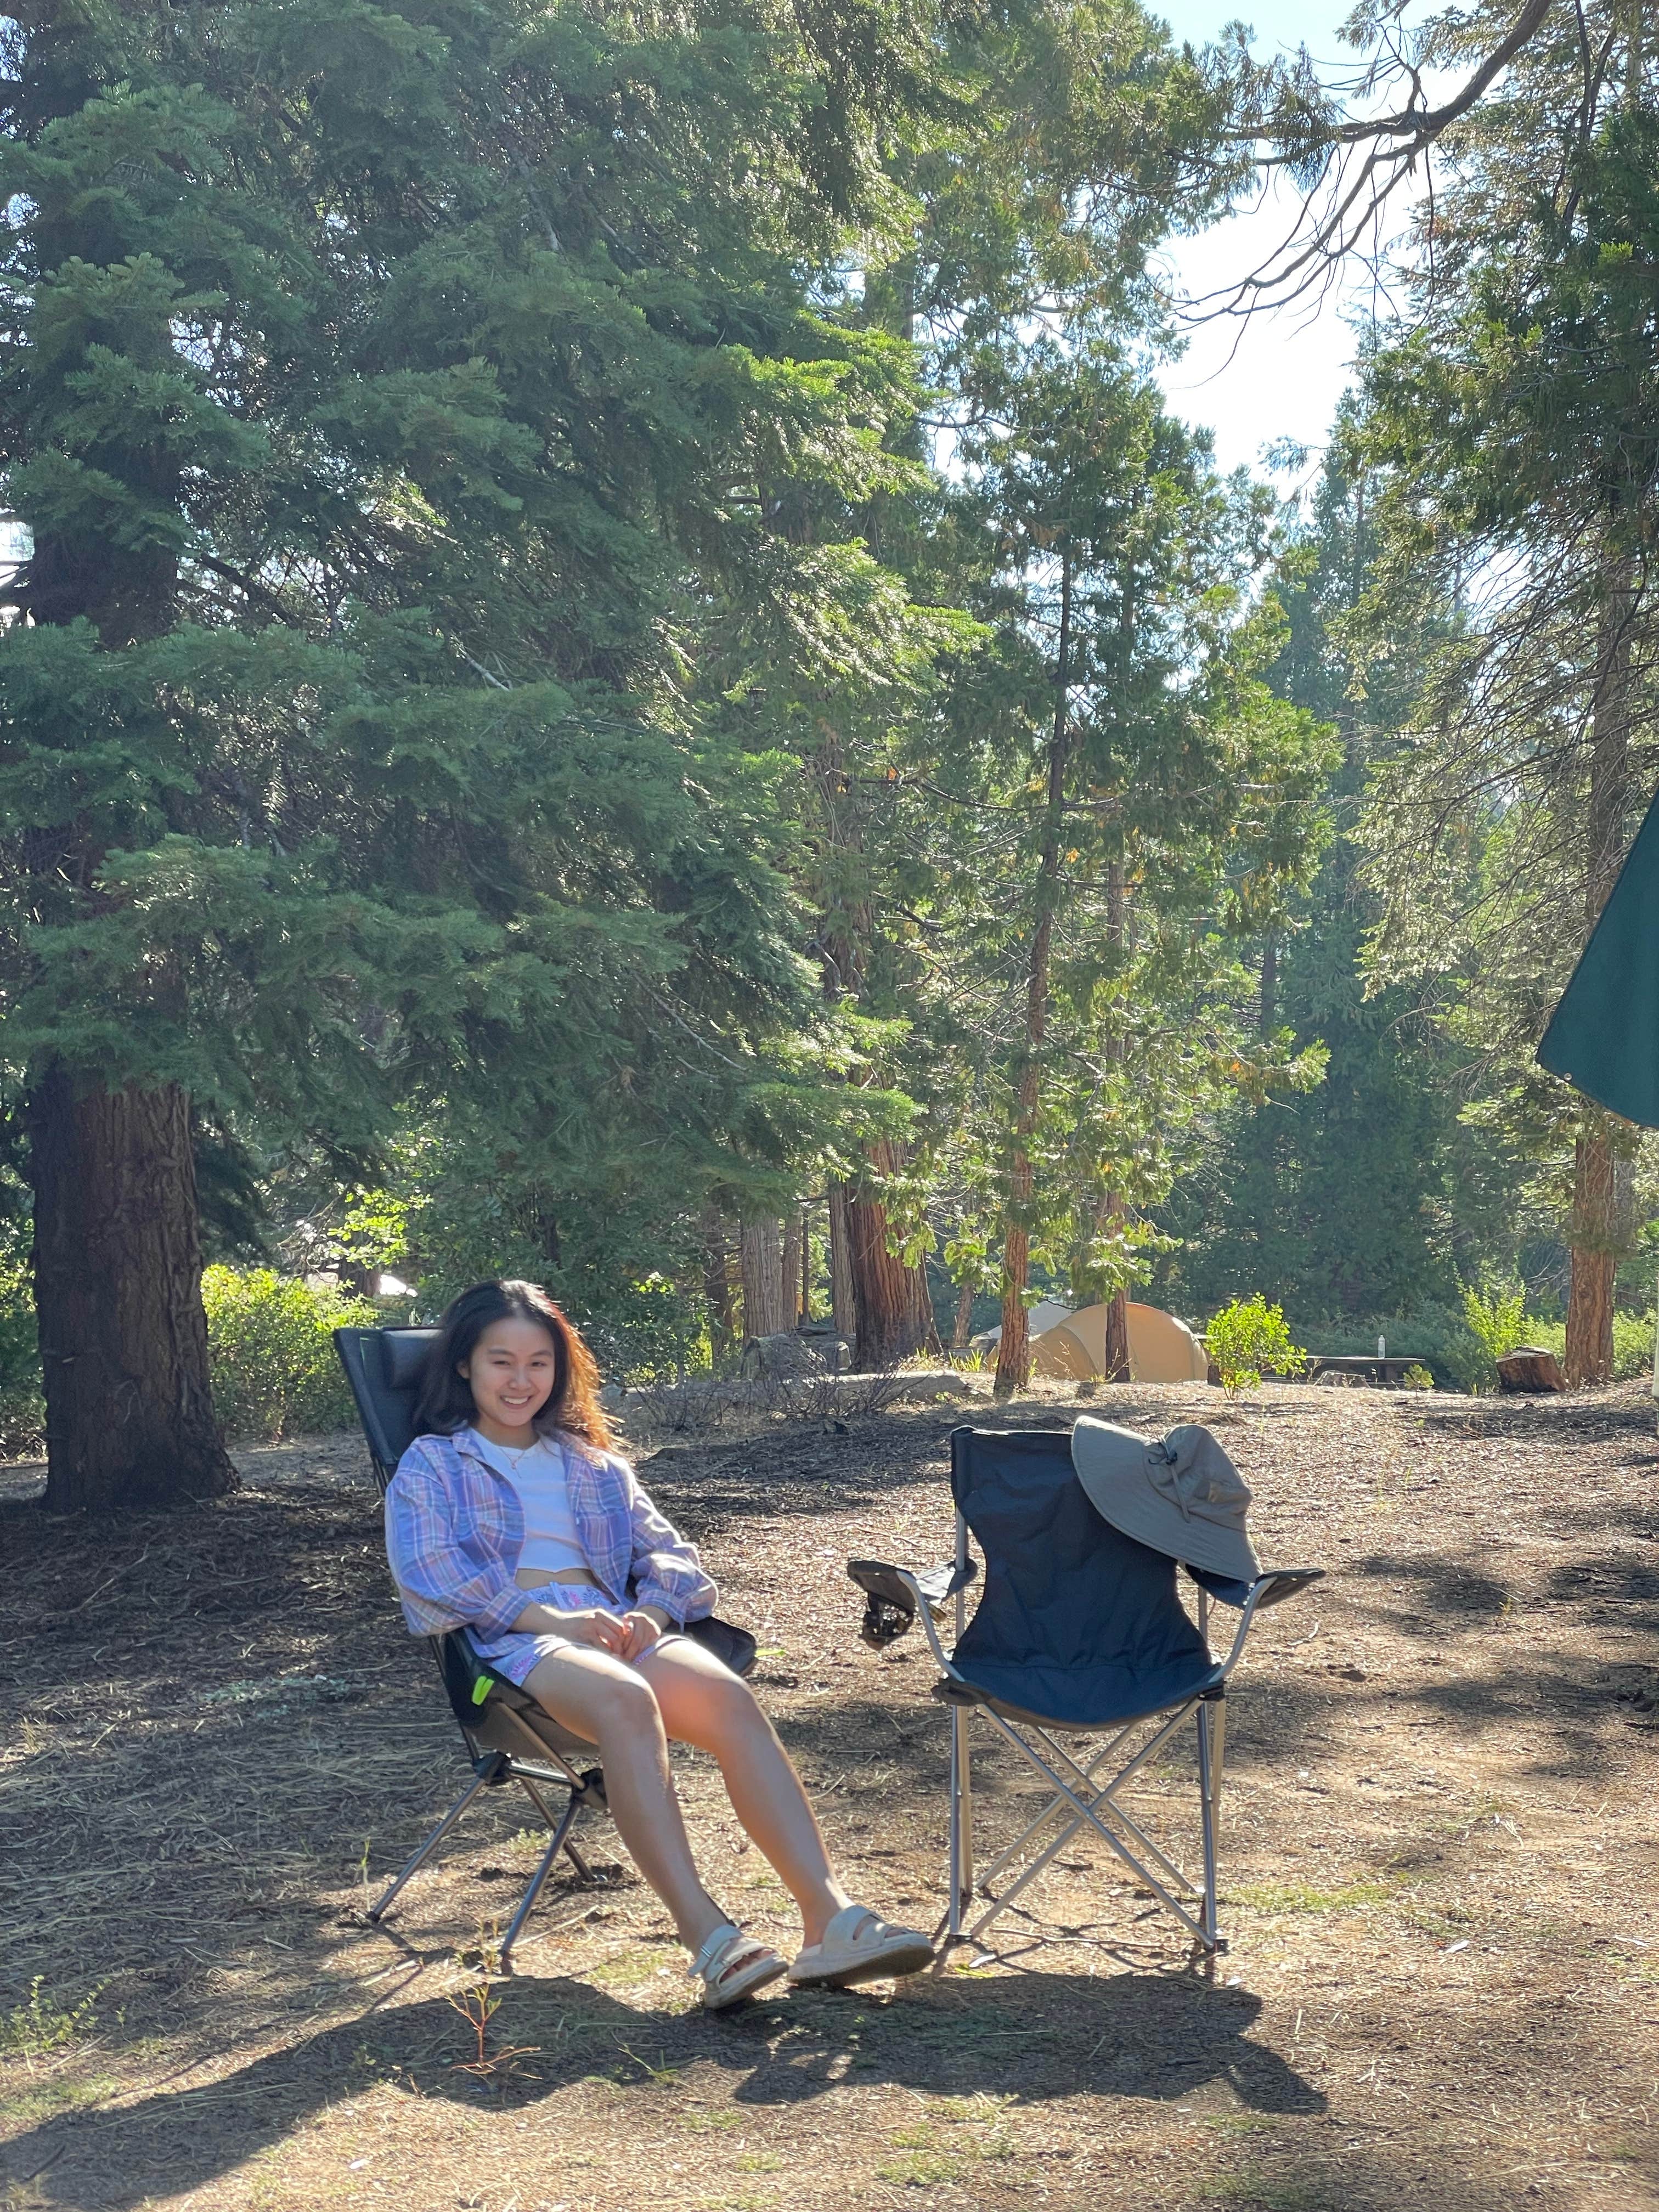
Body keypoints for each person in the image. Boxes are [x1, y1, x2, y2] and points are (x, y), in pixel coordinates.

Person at [385, 1278, 935, 2009]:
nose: (521, 1381)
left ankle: (828, 1922)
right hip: (515, 1642)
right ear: (464, 1366)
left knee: (726, 1697)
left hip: (612, 1623)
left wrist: (652, 1612)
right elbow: (432, 1575)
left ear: (560, 1369)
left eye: (538, 1363)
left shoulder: (593, 1464)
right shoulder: (434, 1463)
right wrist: (554, 1622)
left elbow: (673, 1557)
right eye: (501, 1362)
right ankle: (710, 1939)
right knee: (625, 1698)